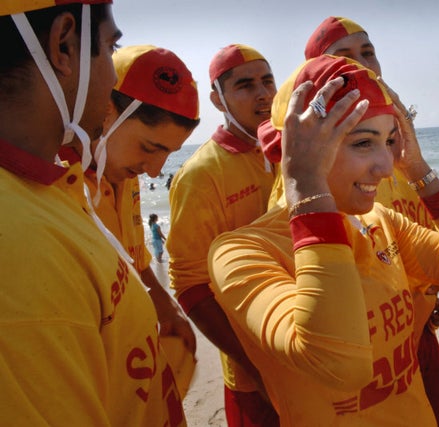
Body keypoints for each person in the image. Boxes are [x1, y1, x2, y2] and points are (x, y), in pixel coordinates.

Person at [208, 54, 439, 426]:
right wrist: (308, 187)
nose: (385, 166)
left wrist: (417, 169)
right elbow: (339, 365)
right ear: (297, 150)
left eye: (390, 140)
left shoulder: (379, 221)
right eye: (364, 143)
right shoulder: (241, 252)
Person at [0, 1, 188, 425]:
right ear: (63, 44)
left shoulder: (48, 190)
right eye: (109, 44)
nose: (115, 78)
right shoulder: (21, 243)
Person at [300, 17, 439, 425]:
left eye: (368, 52)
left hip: (419, 331)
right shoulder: (319, 168)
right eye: (345, 57)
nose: (363, 65)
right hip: (363, 346)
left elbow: (426, 231)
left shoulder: (399, 145)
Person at [58, 44, 199, 391]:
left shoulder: (126, 175)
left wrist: (163, 303)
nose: (154, 171)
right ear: (106, 112)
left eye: (168, 154)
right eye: (150, 149)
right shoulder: (58, 182)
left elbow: (133, 260)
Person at [166, 43, 279, 426]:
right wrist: (254, 365)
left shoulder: (291, 150)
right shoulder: (201, 174)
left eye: (267, 81)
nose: (263, 94)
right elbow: (189, 283)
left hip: (311, 346)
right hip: (253, 374)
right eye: (245, 85)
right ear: (217, 99)